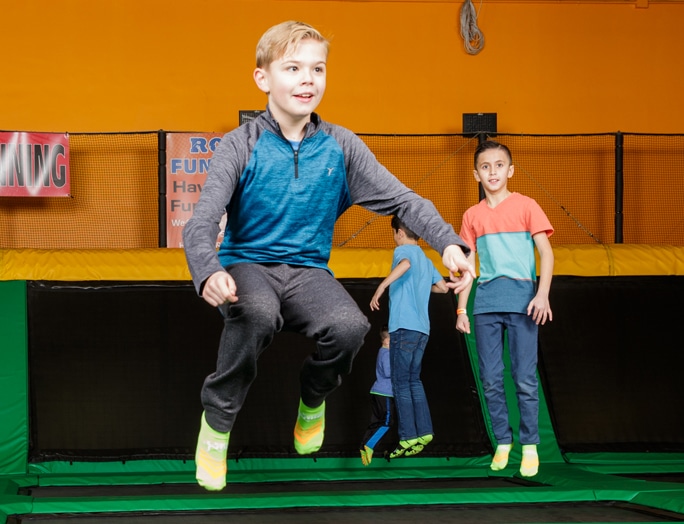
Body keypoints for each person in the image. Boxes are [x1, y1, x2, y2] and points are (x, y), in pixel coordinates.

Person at [183, 20, 475, 491]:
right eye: (293, 68)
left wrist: (449, 244)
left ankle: (312, 399)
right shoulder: (241, 145)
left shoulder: (340, 146)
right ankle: (217, 426)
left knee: (349, 327)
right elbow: (201, 221)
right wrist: (208, 271)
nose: (307, 79)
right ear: (263, 79)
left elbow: (404, 201)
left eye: (317, 69)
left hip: (307, 271)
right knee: (255, 311)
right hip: (246, 265)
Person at [455, 140, 554, 477]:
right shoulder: (472, 216)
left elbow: (547, 253)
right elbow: (467, 267)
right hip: (486, 304)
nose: (493, 171)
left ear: (510, 170)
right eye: (485, 166)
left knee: (525, 378)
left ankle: (529, 446)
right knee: (491, 378)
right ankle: (503, 441)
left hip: (524, 302)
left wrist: (542, 295)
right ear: (476, 174)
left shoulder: (527, 206)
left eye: (499, 165)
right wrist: (461, 310)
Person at [370, 216, 449, 459]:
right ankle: (424, 431)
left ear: (400, 232)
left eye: (394, 233)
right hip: (422, 329)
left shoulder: (403, 250)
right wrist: (421, 287)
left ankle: (408, 436)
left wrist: (382, 287)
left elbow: (404, 264)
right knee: (414, 381)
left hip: (403, 327)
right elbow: (443, 287)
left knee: (401, 383)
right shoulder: (425, 259)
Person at [359, 327, 394, 466]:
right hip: (384, 393)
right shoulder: (386, 353)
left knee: (376, 422)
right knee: (387, 422)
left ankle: (364, 446)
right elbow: (387, 371)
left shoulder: (383, 352)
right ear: (386, 341)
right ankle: (370, 445)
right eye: (393, 340)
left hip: (377, 392)